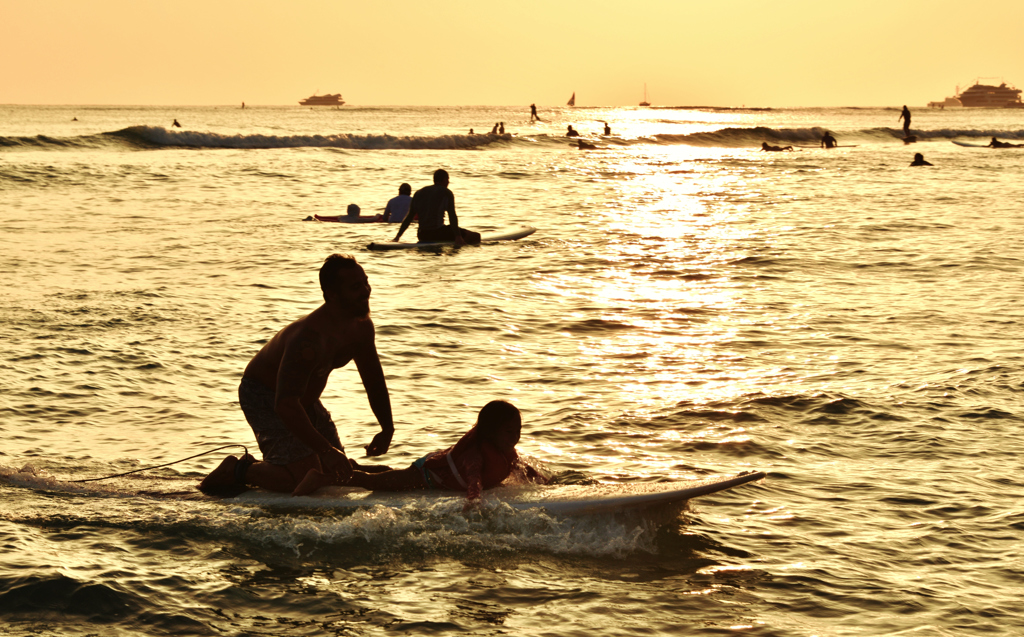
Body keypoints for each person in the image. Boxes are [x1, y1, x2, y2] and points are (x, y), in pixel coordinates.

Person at [198, 254, 395, 496]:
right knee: (302, 478)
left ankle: (305, 463)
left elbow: (373, 380)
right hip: (265, 395)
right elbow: (285, 405)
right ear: (332, 294)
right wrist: (325, 450)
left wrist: (387, 427)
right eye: (356, 287)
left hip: (303, 401)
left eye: (366, 282)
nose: (366, 290)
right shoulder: (309, 340)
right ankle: (238, 469)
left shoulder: (362, 327)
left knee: (338, 471)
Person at [293, 400, 548, 502]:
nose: (515, 436)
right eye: (508, 432)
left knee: (389, 473)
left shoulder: (506, 451)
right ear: (491, 433)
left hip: (427, 469)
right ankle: (325, 477)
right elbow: (474, 480)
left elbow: (521, 469)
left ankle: (349, 463)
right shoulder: (476, 454)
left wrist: (544, 482)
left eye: (518, 430)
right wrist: (474, 503)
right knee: (378, 483)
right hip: (426, 476)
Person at [392, 169, 481, 246]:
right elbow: (452, 216)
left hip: (422, 235)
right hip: (438, 233)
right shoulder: (446, 193)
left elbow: (409, 217)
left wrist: (397, 237)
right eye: (448, 179)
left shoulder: (418, 193)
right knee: (476, 236)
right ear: (445, 180)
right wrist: (458, 236)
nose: (449, 182)